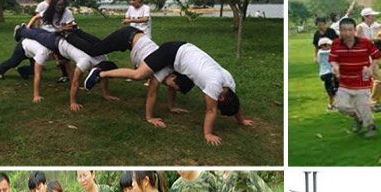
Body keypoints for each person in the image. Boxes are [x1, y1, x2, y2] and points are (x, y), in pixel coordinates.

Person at [81, 39, 252, 145]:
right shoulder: (215, 85)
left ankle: (109, 71)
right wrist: (208, 133)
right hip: (172, 51)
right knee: (139, 74)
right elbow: (211, 110)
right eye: (218, 102)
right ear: (221, 97)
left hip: (185, 49)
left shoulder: (229, 82)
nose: (215, 101)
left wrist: (241, 120)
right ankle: (100, 73)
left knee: (158, 78)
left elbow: (234, 103)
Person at [14, 24, 120, 106]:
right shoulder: (85, 62)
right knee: (39, 36)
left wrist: (106, 94)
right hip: (57, 42)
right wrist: (73, 102)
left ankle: (30, 28)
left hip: (67, 42)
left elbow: (104, 76)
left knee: (64, 60)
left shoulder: (102, 57)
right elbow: (75, 82)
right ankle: (21, 30)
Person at [330, 17, 381, 137]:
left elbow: (377, 56)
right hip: (344, 82)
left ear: (354, 30)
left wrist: (370, 68)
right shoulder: (336, 43)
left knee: (363, 106)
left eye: (350, 30)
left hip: (361, 81)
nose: (347, 33)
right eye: (344, 30)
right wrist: (335, 67)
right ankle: (358, 118)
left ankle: (370, 127)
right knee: (341, 106)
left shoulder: (365, 43)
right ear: (340, 31)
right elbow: (332, 59)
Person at [357, 7, 381, 110]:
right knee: (379, 80)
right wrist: (376, 39)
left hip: (372, 56)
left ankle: (368, 102)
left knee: (369, 81)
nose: (374, 17)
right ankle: (373, 103)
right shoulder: (360, 27)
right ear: (365, 17)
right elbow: (360, 41)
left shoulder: (373, 25)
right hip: (364, 57)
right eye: (372, 16)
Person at [316, 37, 337, 111]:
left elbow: (318, 61)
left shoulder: (319, 53)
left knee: (330, 90)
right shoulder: (324, 52)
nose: (330, 46)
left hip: (323, 74)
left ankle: (331, 105)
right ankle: (332, 104)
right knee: (333, 89)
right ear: (322, 46)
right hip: (329, 73)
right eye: (328, 45)